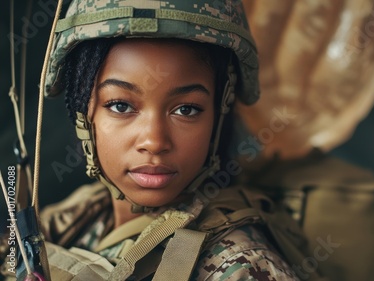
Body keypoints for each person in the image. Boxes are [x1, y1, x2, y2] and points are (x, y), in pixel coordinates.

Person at [1, 0, 299, 280]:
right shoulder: (68, 221)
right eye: (121, 106)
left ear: (218, 116)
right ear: (83, 112)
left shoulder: (238, 266)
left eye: (186, 109)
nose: (155, 142)